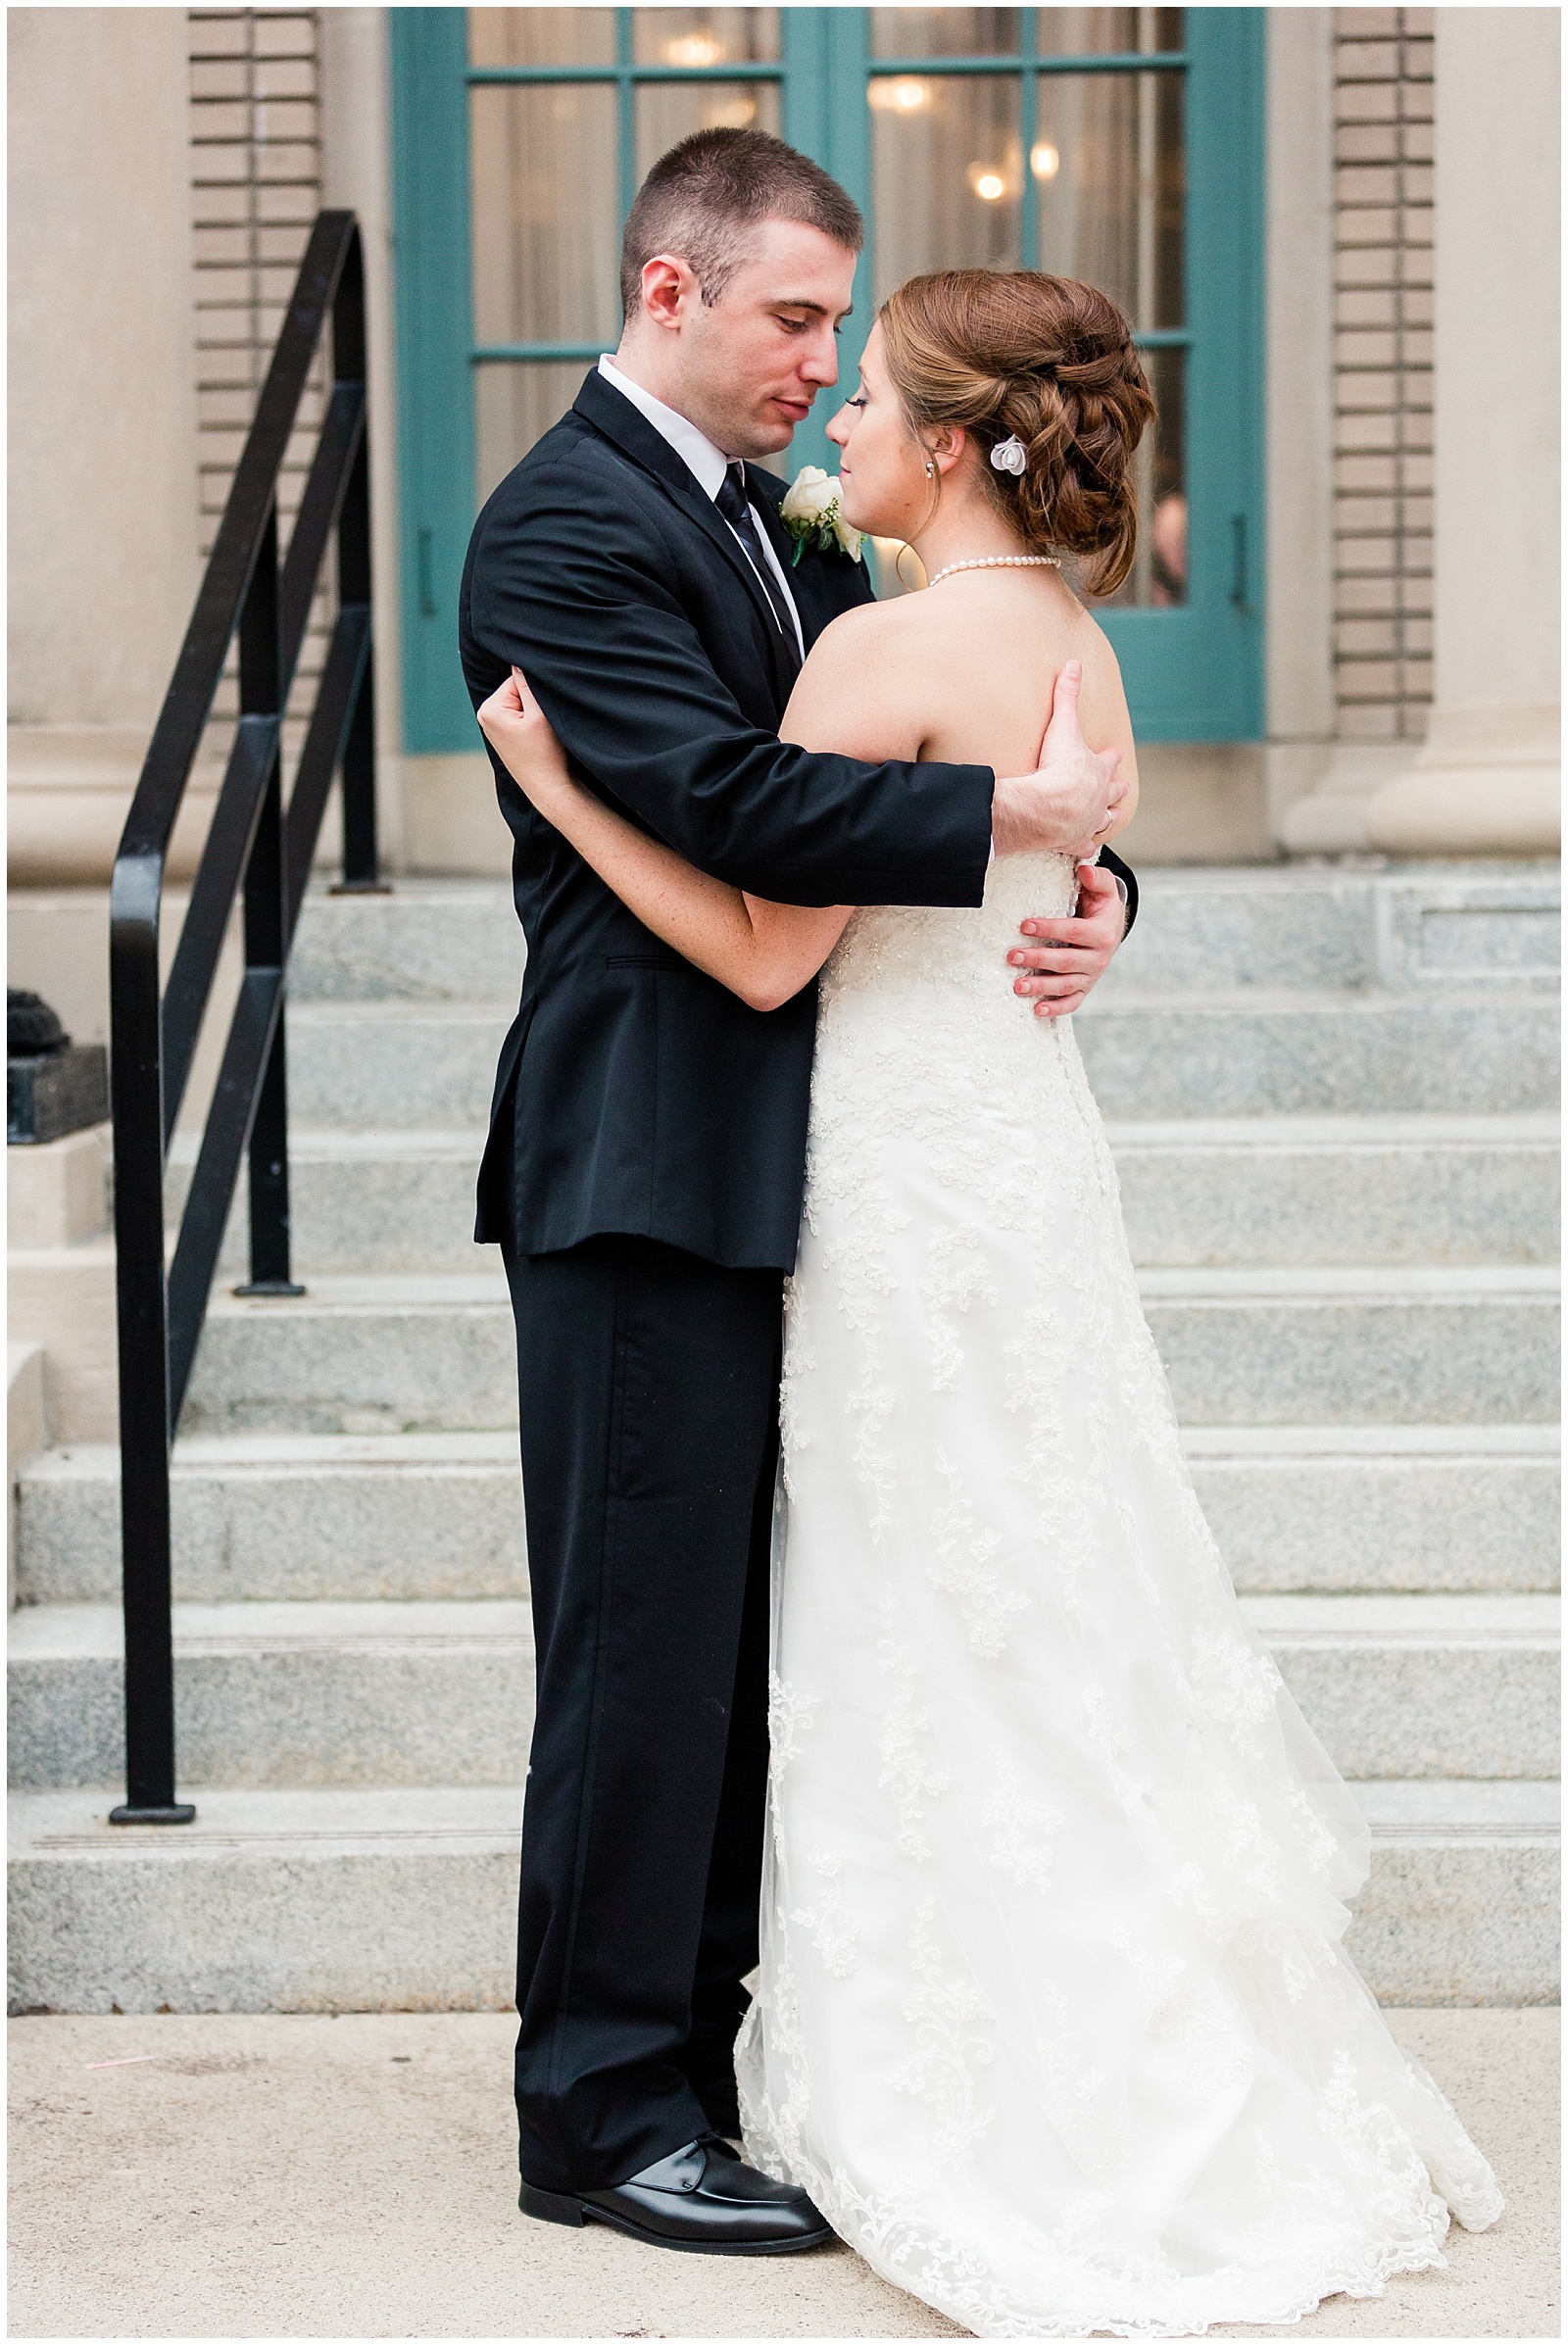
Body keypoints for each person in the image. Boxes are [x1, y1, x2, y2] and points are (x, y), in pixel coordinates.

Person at [478, 266, 1503, 2330]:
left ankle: (894, 2069)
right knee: (1034, 1613)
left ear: (953, 441)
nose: (827, 409)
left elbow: (771, 953)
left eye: (859, 383)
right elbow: (1014, 854)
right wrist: (1065, 889)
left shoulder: (874, 634)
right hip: (1002, 1181)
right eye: (809, 350)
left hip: (886, 1182)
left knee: (913, 1617)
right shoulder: (1071, 641)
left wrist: (561, 784)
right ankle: (1055, 2046)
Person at [460, 129, 1135, 2256]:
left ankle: (717, 2049)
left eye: (837, 330)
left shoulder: (798, 540)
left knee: (757, 1650)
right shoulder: (559, 526)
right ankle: (594, 2108)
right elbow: (741, 799)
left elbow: (930, 742)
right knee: (638, 1651)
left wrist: (1085, 881)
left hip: (822, 1155)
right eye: (790, 318)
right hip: (643, 1156)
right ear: (670, 292)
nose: (816, 359)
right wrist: (998, 823)